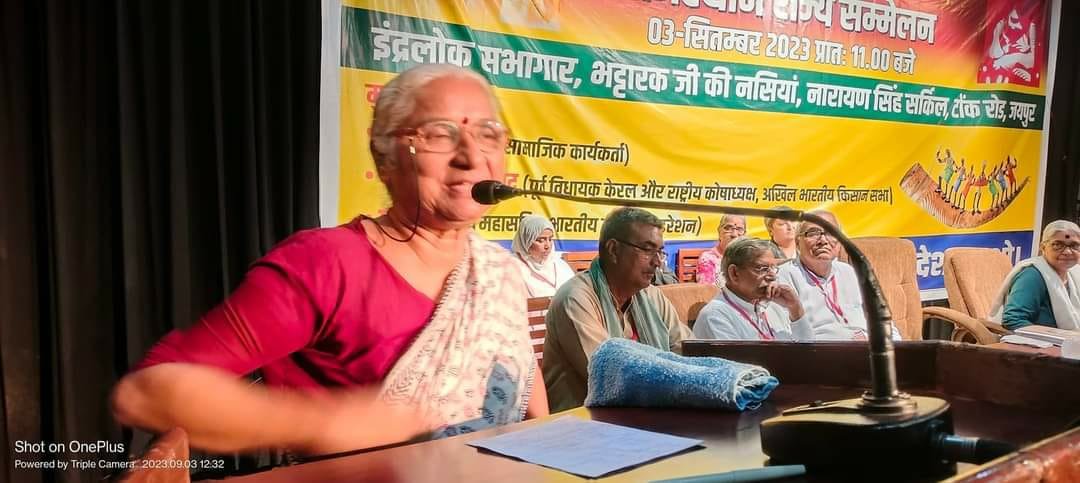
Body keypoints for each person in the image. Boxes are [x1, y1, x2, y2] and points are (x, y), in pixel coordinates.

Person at [110, 64, 549, 456]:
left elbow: (521, 384)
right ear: (384, 158)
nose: (471, 156)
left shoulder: (498, 271)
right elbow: (147, 392)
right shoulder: (327, 265)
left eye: (488, 134)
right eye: (439, 134)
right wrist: (329, 422)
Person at [543, 207, 691, 411]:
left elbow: (685, 350)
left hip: (647, 414)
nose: (657, 262)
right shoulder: (576, 298)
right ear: (613, 250)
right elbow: (611, 376)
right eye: (648, 250)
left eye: (659, 251)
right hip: (583, 425)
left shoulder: (651, 295)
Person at [776, 215, 901, 340]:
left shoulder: (849, 271)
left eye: (831, 232)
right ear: (798, 243)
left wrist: (896, 346)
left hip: (867, 350)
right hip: (821, 353)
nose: (823, 240)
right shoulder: (783, 277)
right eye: (813, 233)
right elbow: (783, 336)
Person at [693, 238, 813, 341]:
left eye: (774, 268)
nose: (772, 276)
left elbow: (808, 352)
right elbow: (738, 367)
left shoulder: (772, 305)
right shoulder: (715, 316)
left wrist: (795, 309)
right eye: (762, 268)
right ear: (734, 273)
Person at [991, 220, 1080, 331]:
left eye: (1074, 245)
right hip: (1037, 344)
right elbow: (1014, 320)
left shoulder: (1074, 274)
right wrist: (1059, 336)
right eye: (1057, 245)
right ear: (1043, 247)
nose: (1067, 252)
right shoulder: (1032, 275)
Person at [511, 214, 576, 297]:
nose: (547, 246)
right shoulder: (513, 267)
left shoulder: (559, 265)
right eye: (540, 240)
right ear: (526, 241)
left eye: (550, 239)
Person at [696, 214, 746, 286]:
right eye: (728, 228)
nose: (734, 234)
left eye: (739, 229)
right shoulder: (707, 258)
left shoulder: (747, 258)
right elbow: (707, 291)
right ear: (719, 232)